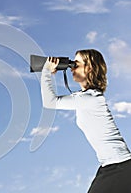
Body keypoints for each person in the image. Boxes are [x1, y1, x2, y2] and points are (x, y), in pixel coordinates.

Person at [41, 49, 131, 193]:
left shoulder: (92, 99)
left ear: (89, 68)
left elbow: (50, 102)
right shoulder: (86, 97)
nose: (72, 68)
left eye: (76, 64)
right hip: (112, 166)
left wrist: (46, 72)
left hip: (120, 165)